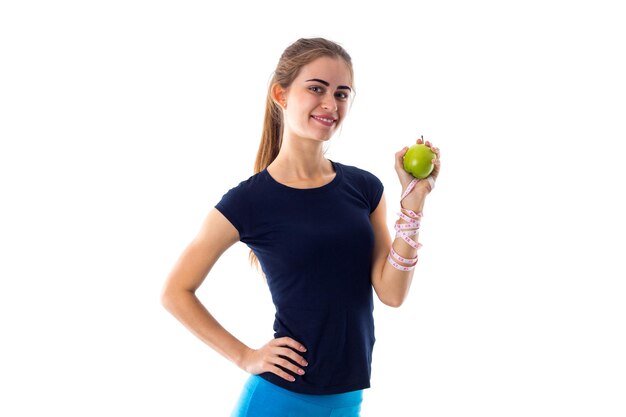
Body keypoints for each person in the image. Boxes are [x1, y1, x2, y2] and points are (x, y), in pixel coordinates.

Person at [160, 37, 440, 417]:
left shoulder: (364, 188)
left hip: (347, 399)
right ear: (281, 94)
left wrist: (413, 206)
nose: (330, 104)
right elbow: (176, 291)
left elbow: (391, 293)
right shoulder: (248, 202)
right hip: (280, 400)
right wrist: (245, 356)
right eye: (316, 89)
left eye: (342, 93)